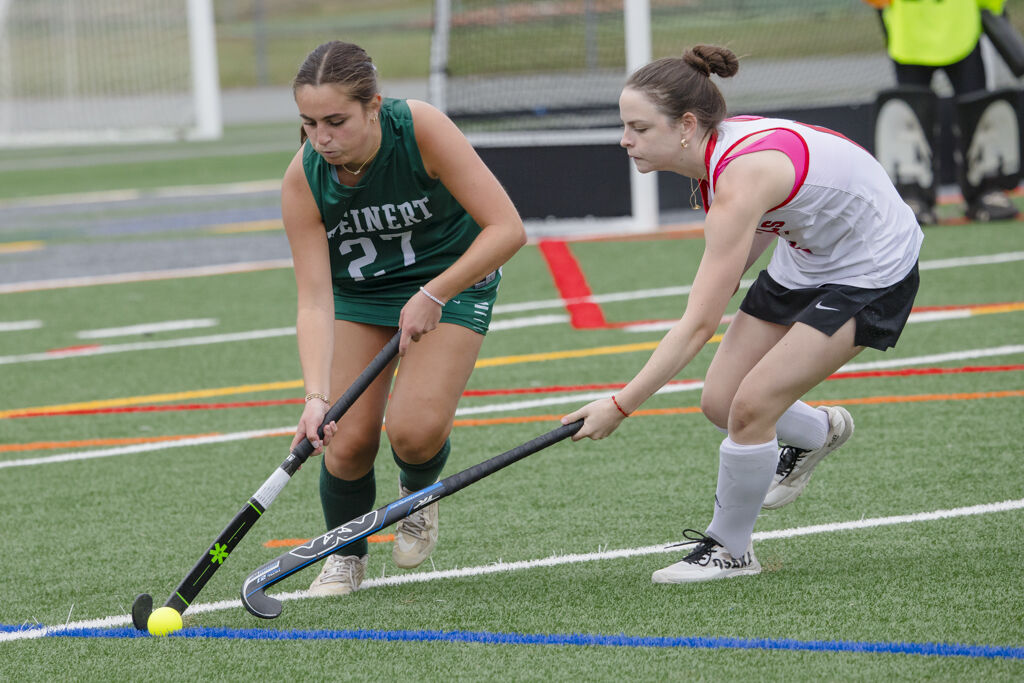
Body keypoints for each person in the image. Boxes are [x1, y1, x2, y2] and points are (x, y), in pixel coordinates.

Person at [561, 45, 924, 583]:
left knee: (752, 407)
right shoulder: (713, 165)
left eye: (638, 127)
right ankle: (818, 431)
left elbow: (699, 326)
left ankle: (731, 550)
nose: (624, 139)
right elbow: (731, 266)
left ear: (686, 125)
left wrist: (621, 404)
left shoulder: (738, 177)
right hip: (808, 254)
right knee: (721, 401)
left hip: (870, 267)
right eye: (624, 125)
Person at [284, 41, 527, 596]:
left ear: (374, 105)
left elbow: (507, 229)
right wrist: (314, 397)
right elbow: (315, 300)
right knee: (344, 442)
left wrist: (436, 293)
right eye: (310, 123)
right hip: (362, 299)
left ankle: (419, 494)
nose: (322, 138)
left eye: (336, 121)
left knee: (414, 434)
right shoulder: (303, 178)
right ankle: (345, 554)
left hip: (453, 283)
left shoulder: (419, 128)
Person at [867, 0, 1020, 224]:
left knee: (977, 109)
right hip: (911, 35)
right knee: (911, 113)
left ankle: (985, 191)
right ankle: (913, 194)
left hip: (960, 30)